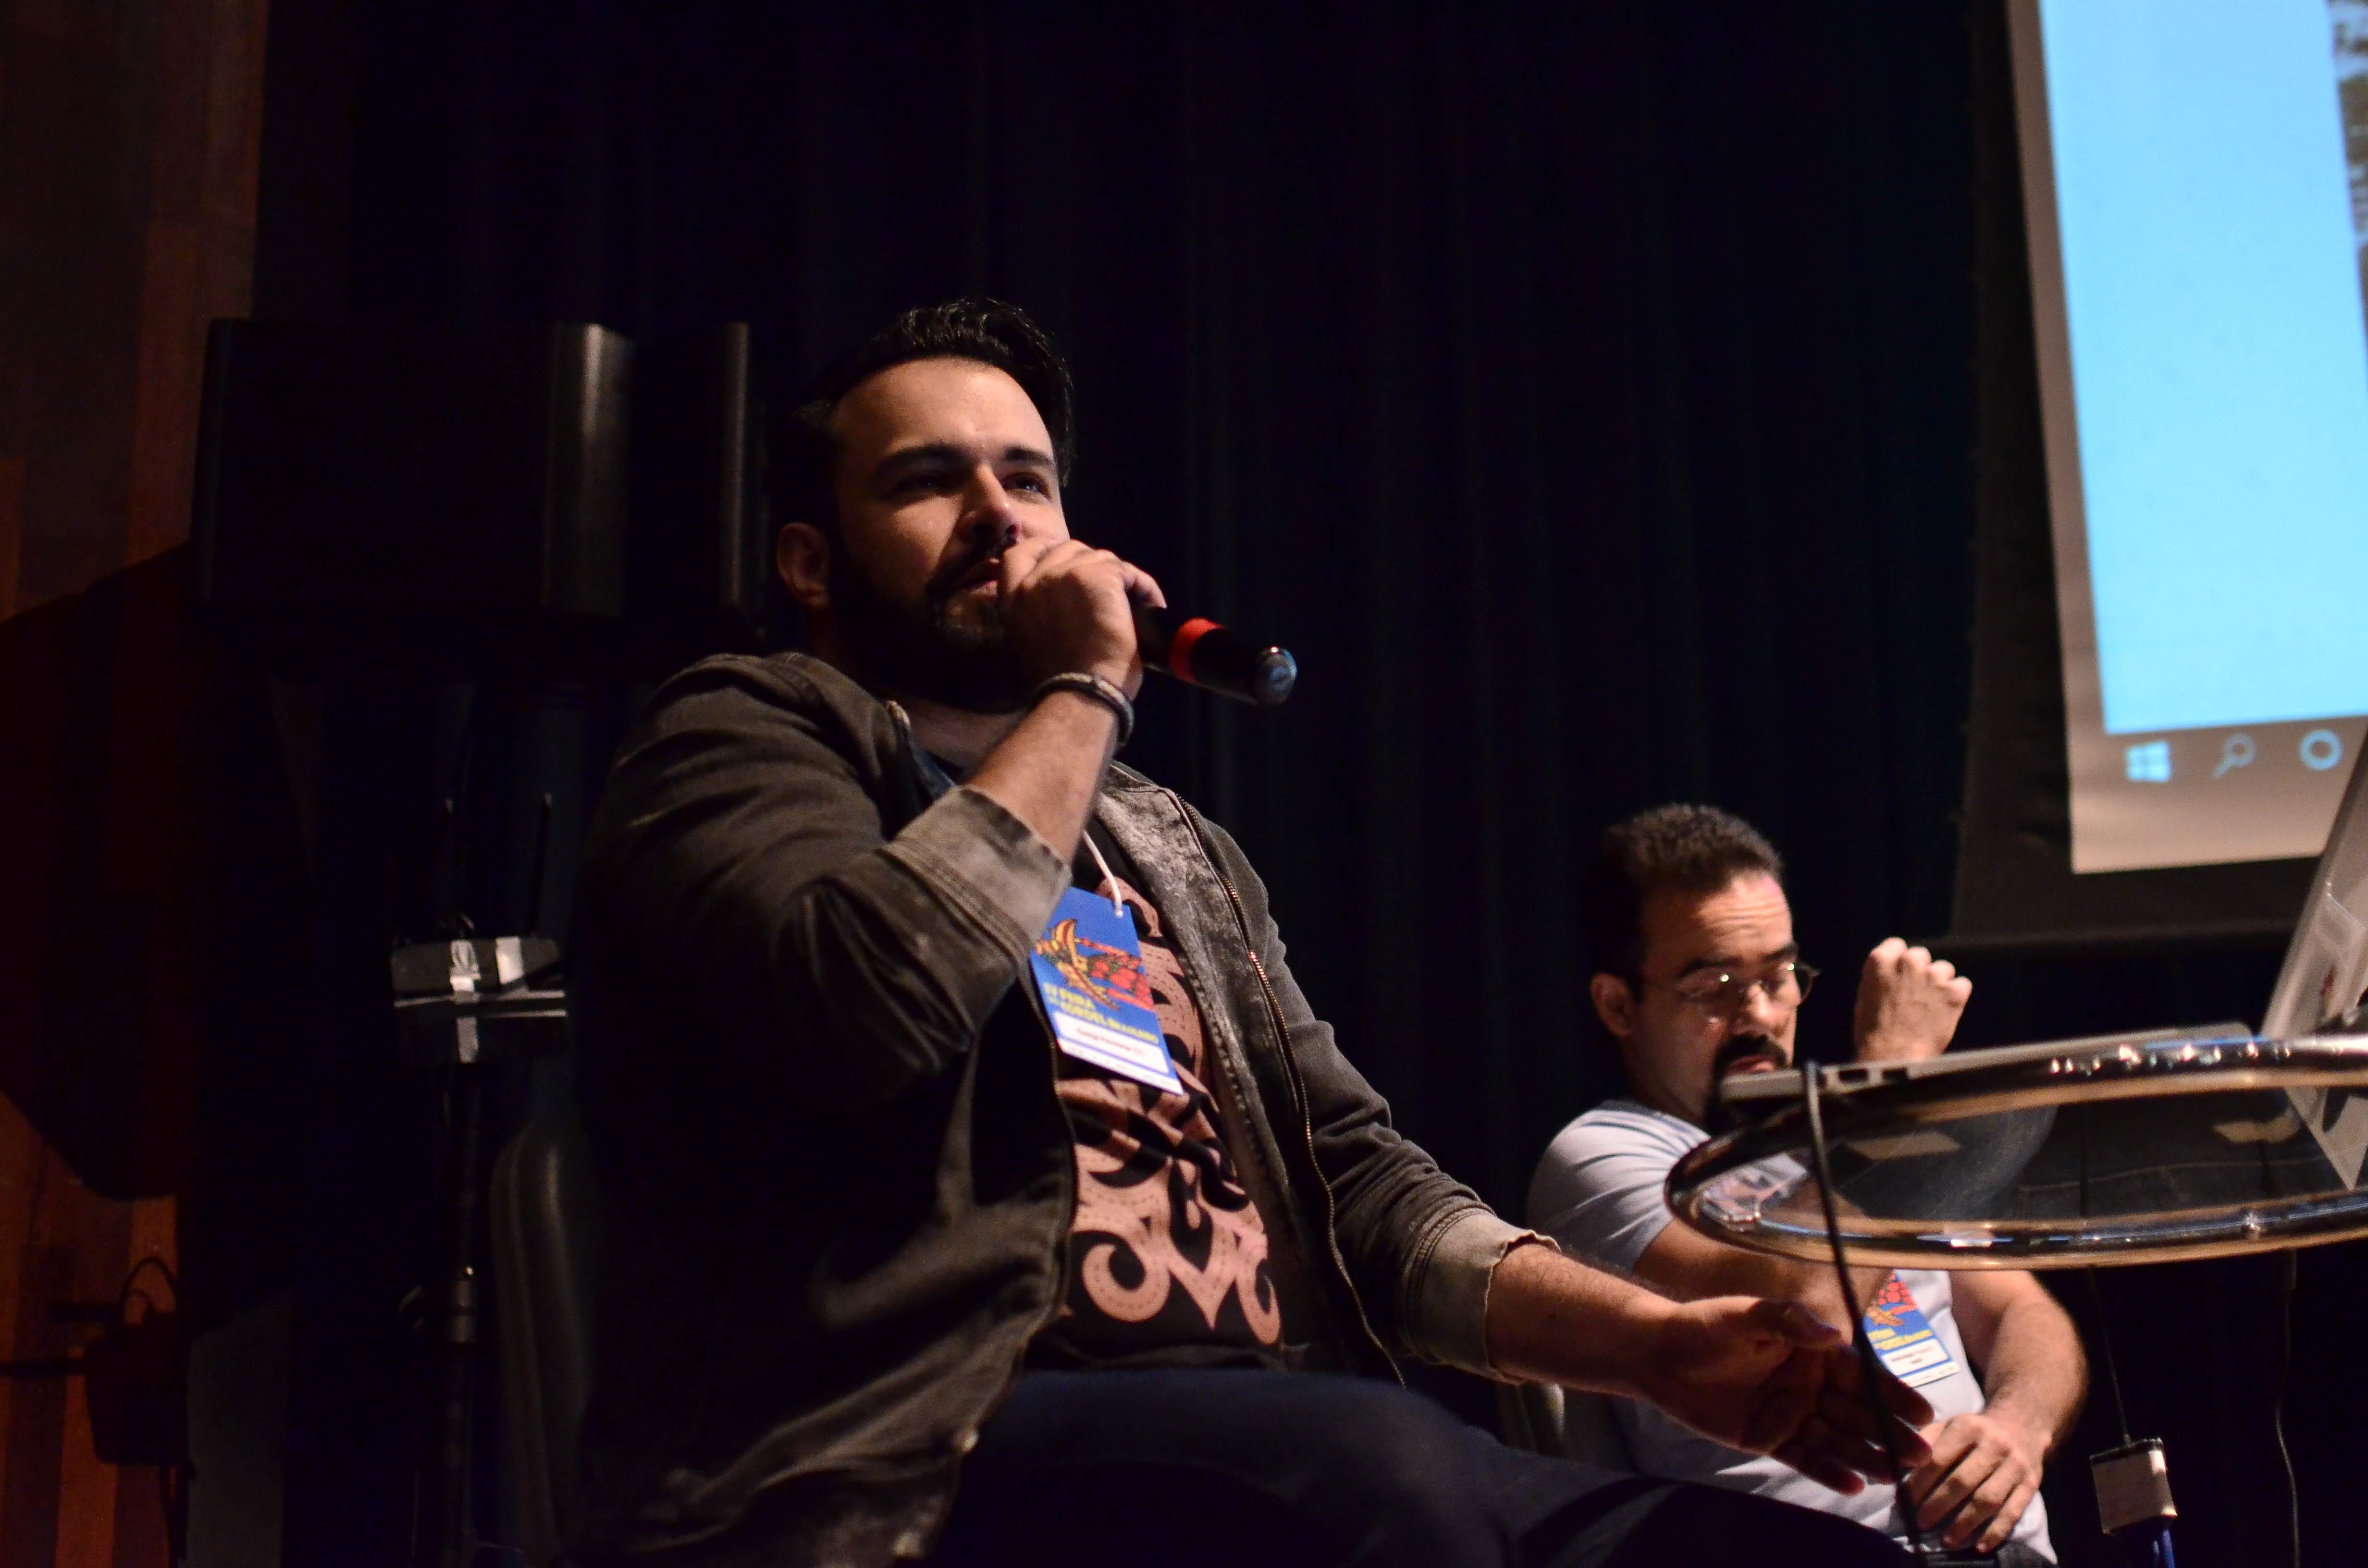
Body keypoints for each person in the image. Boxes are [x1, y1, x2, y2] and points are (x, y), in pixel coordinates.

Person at [566, 300, 1932, 1568]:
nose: (997, 515)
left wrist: (1652, 1349)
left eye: (1028, 480)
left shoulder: (1162, 842)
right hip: (907, 1452)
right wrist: (1085, 687)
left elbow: (1362, 1192)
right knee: (1376, 1469)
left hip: (1269, 1433)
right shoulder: (737, 737)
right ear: (810, 562)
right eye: (930, 481)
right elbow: (866, 1000)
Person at [1527, 805, 2087, 1565]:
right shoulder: (1606, 1155)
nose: (1759, 1015)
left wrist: (2019, 1426)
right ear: (1618, 1004)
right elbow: (1812, 1307)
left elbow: (2025, 1310)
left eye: (1778, 976)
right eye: (1715, 987)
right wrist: (1889, 1077)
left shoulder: (1843, 1146)